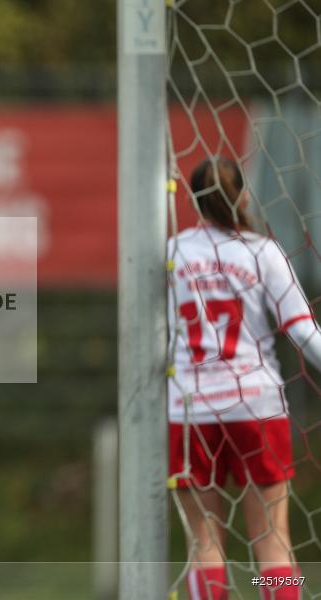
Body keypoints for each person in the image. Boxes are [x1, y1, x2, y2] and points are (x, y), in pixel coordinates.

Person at [168, 156, 321, 600]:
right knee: (272, 544)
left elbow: (157, 336)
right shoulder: (261, 251)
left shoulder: (172, 253)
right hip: (256, 405)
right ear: (245, 196)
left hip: (190, 408)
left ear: (195, 200)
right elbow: (301, 331)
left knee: (206, 543)